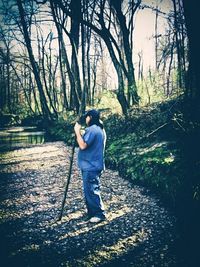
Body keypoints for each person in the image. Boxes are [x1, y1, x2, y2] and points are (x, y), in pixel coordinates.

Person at [74, 109, 106, 223]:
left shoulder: (93, 129)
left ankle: (99, 214)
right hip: (92, 165)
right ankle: (92, 212)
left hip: (91, 166)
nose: (86, 119)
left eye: (87, 117)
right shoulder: (99, 129)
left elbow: (82, 146)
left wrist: (77, 131)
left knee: (92, 190)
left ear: (90, 118)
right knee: (89, 189)